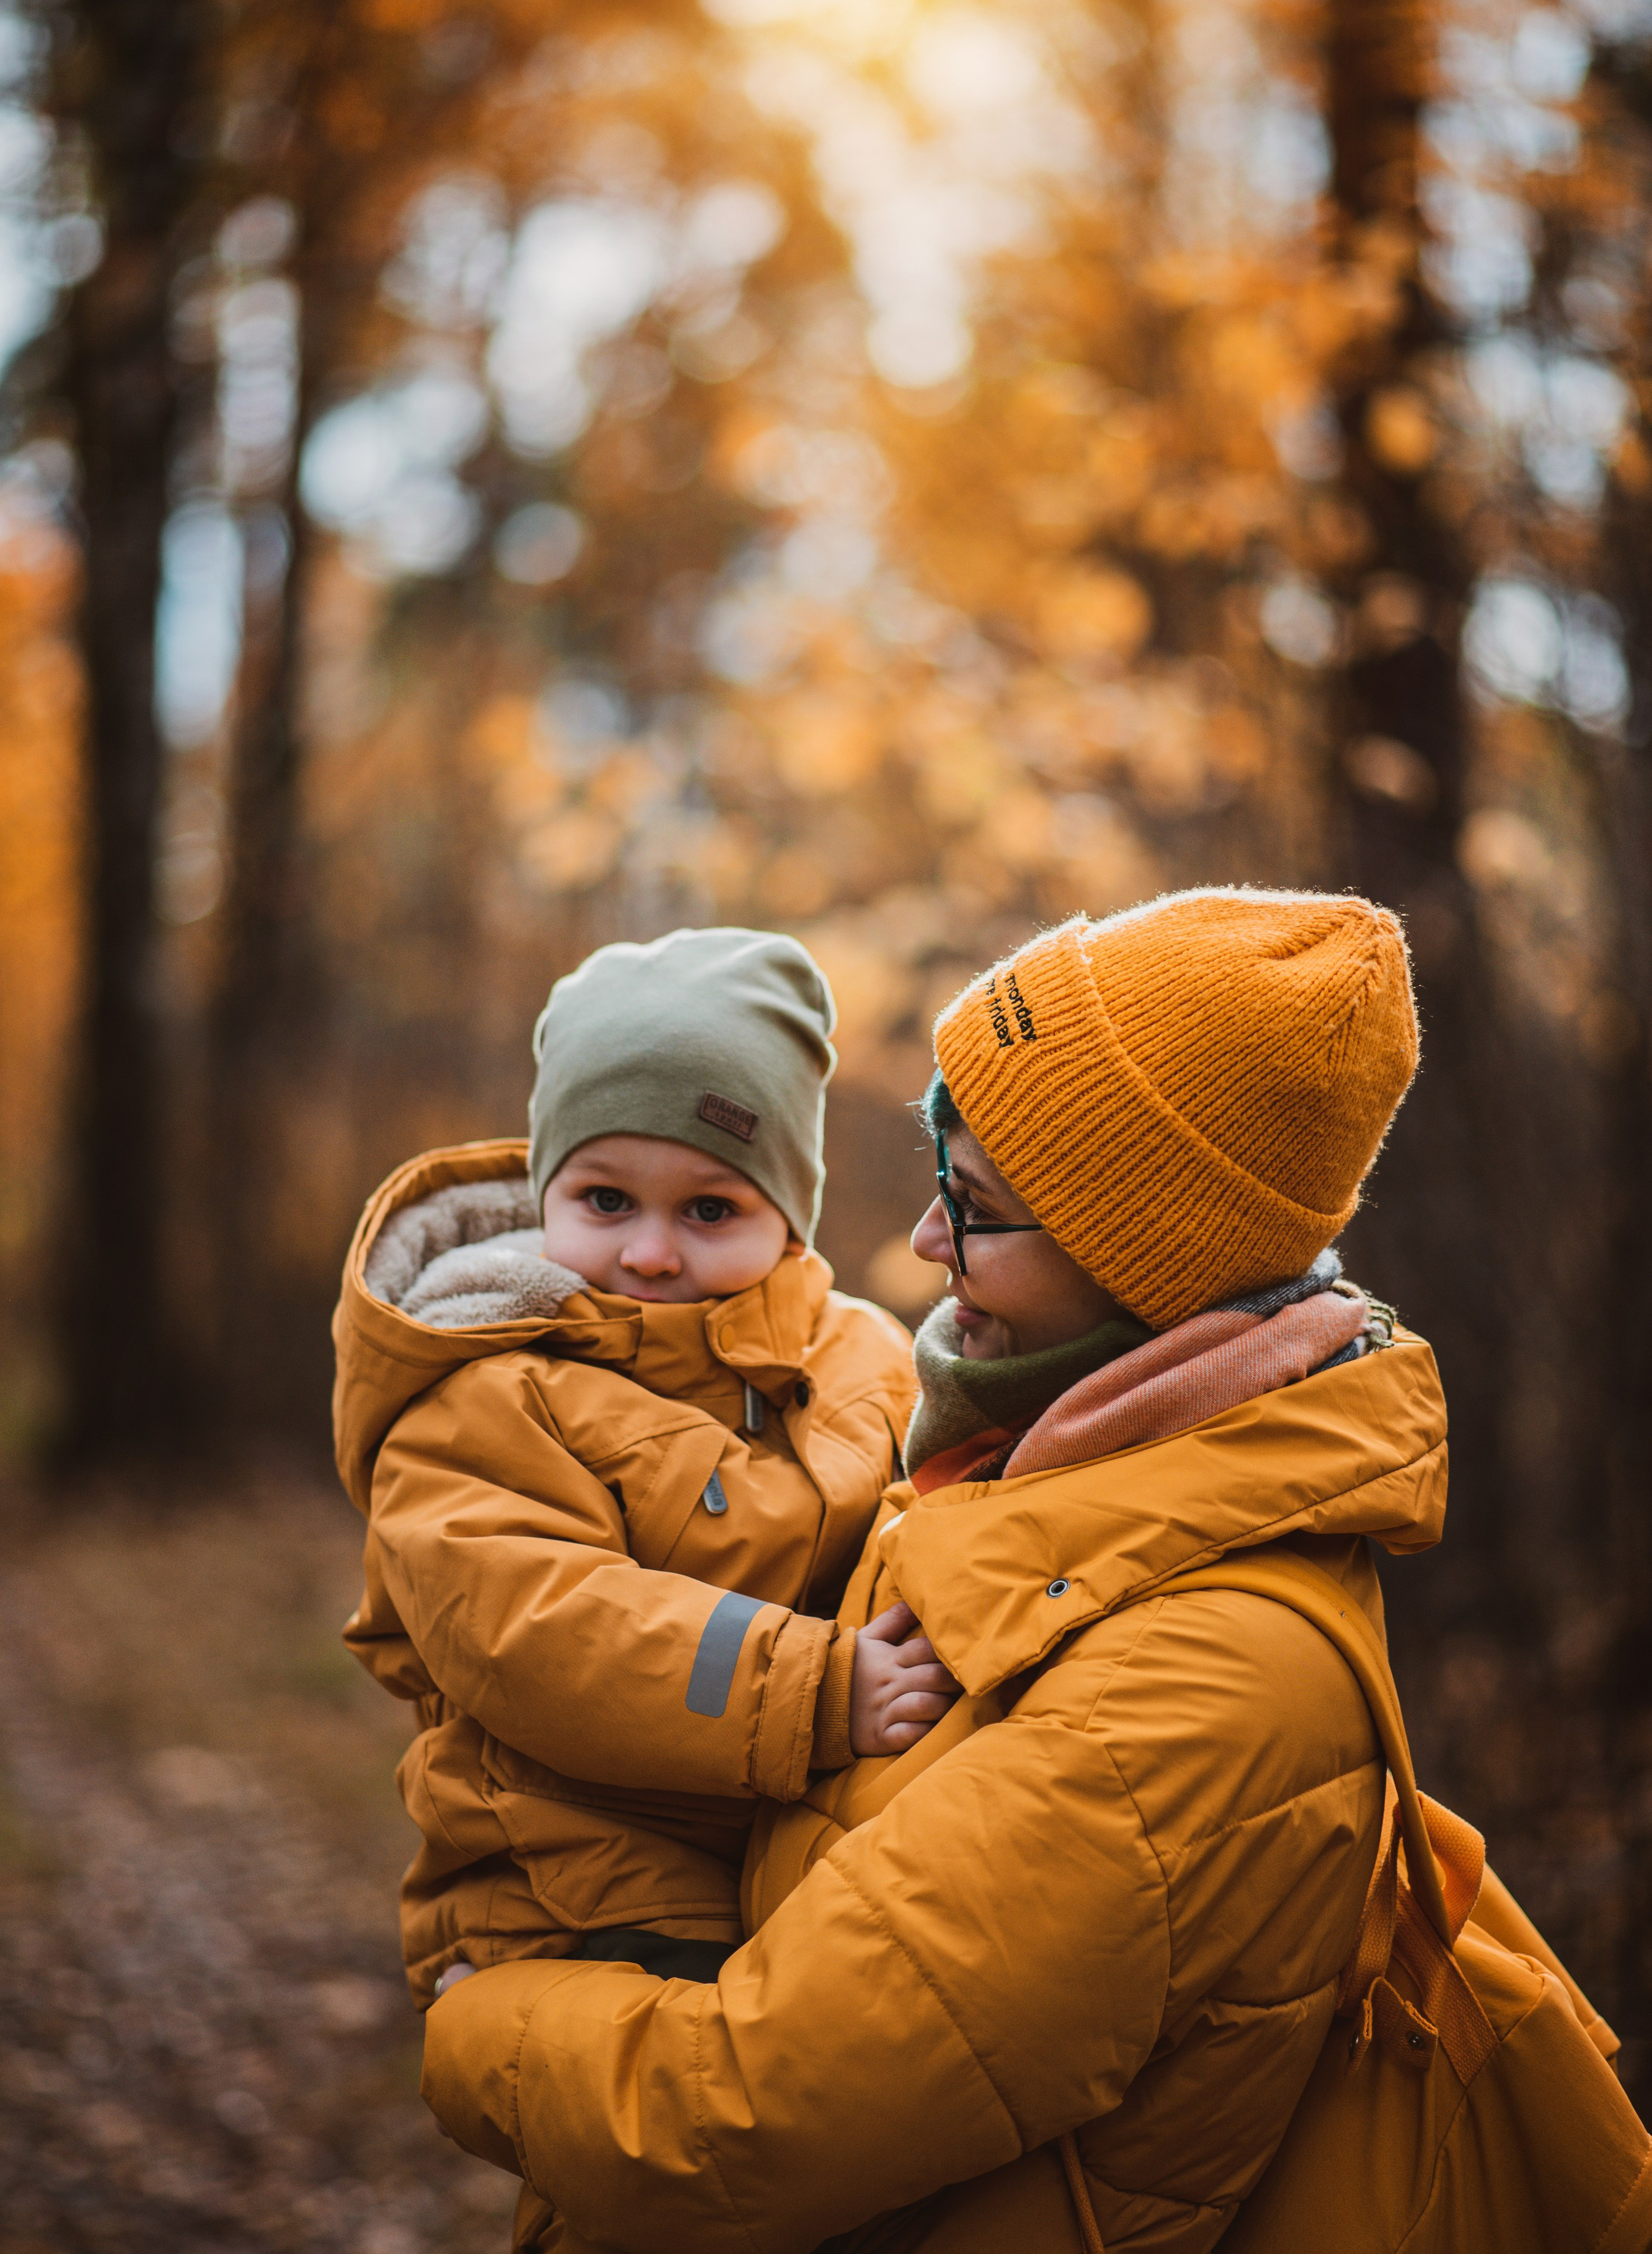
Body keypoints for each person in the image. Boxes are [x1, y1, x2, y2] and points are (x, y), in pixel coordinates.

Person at [420, 886, 1460, 2254]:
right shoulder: (1034, 1480)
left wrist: (472, 2022)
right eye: (935, 1179)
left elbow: (737, 2121)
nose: (920, 1246)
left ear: (1140, 1260)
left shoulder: (1188, 1698)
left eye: (972, 1209)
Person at [333, 926, 938, 2009]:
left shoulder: (867, 1358)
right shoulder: (485, 1388)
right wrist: (818, 1690)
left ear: (790, 1218)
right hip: (580, 1881)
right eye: (606, 1201)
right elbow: (540, 1630)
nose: (652, 1252)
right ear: (545, 1193)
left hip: (799, 1845)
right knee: (698, 2123)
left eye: (710, 1209)